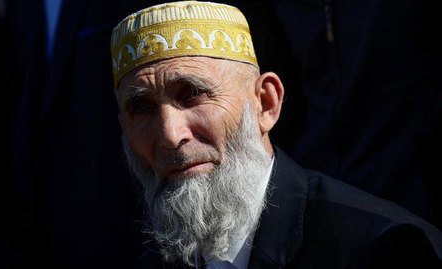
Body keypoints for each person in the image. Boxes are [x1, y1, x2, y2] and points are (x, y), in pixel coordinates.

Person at [111, 1, 442, 268]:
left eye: (193, 94)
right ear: (124, 127)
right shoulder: (153, 262)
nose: (170, 135)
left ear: (265, 104)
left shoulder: (382, 249)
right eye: (142, 108)